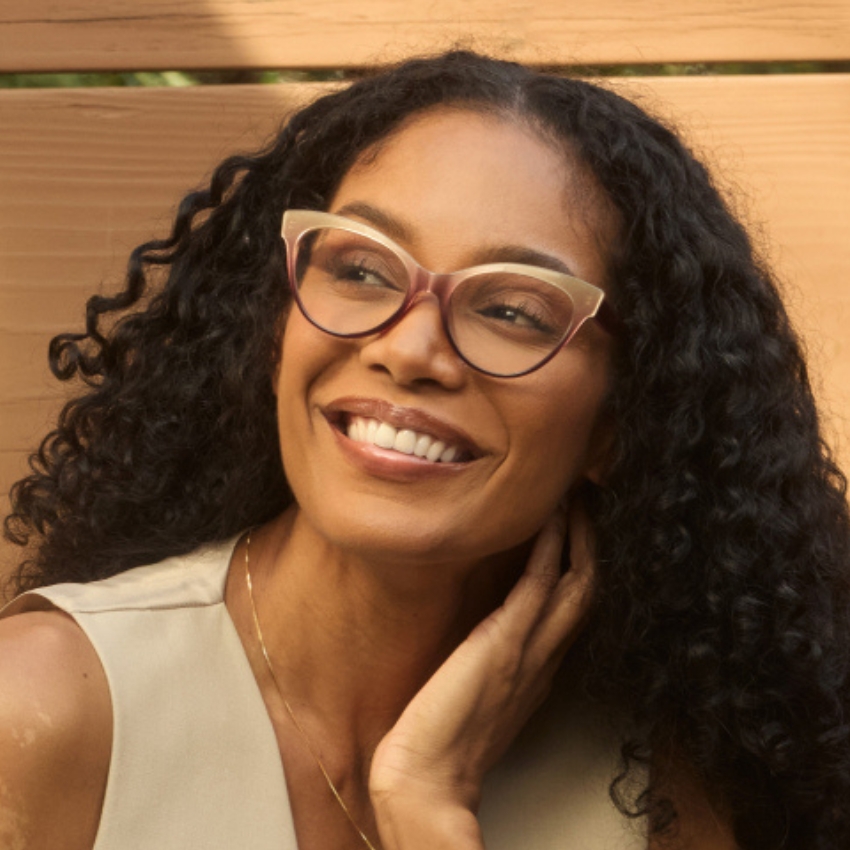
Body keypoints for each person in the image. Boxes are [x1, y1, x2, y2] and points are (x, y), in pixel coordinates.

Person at [1, 50, 848, 850]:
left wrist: (425, 808)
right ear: (272, 331)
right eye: (362, 270)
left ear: (623, 421)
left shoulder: (664, 775)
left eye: (514, 310)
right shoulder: (40, 710)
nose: (408, 350)